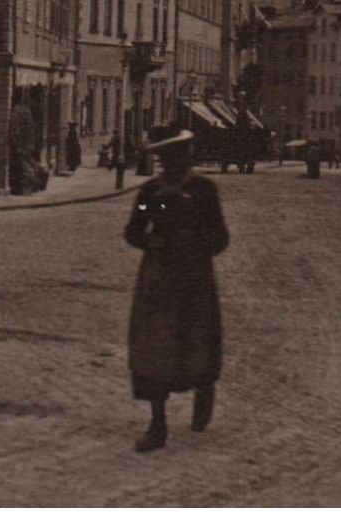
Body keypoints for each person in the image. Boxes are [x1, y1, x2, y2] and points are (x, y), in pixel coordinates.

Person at [123, 127, 229, 453]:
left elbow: (221, 237)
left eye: (180, 156)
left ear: (188, 156)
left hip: (194, 279)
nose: (173, 164)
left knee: (196, 341)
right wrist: (150, 240)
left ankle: (203, 386)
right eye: (167, 158)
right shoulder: (151, 194)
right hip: (159, 279)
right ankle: (158, 424)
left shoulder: (203, 191)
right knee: (153, 349)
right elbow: (133, 231)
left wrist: (198, 243)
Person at [8, 92, 37, 196]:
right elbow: (16, 130)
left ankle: (24, 188)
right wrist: (19, 145)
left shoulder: (23, 111)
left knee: (23, 167)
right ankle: (22, 189)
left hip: (24, 146)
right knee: (22, 167)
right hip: (21, 146)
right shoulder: (20, 112)